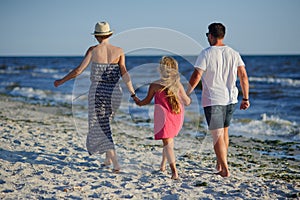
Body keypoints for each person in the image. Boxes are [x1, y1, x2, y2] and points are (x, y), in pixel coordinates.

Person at [54, 21, 135, 173]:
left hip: (98, 92)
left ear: (97, 36)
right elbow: (124, 73)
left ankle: (116, 164)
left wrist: (61, 80)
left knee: (100, 127)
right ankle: (107, 159)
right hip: (115, 92)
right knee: (105, 124)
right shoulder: (119, 51)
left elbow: (78, 71)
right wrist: (133, 93)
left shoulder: (93, 50)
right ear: (109, 34)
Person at [186, 22, 250, 177]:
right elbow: (243, 76)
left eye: (207, 35)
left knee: (217, 136)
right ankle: (220, 164)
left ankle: (224, 168)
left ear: (211, 35)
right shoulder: (234, 53)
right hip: (231, 99)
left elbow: (196, 76)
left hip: (213, 99)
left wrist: (186, 92)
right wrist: (246, 98)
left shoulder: (206, 53)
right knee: (224, 133)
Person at [133, 56, 191, 179]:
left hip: (164, 118)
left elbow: (146, 101)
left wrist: (138, 101)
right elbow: (187, 102)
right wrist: (187, 97)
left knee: (167, 142)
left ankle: (174, 172)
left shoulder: (155, 85)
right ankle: (163, 165)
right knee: (168, 141)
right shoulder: (177, 84)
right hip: (177, 116)